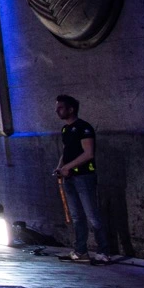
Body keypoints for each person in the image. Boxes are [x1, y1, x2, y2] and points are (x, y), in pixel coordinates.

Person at [53, 94, 109, 264]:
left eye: (61, 107)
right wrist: (60, 167)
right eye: (57, 107)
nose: (57, 111)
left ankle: (103, 252)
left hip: (84, 176)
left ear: (71, 109)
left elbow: (88, 153)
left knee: (92, 215)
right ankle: (80, 251)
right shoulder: (65, 129)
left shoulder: (84, 128)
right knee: (77, 216)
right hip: (69, 178)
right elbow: (66, 150)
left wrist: (68, 167)